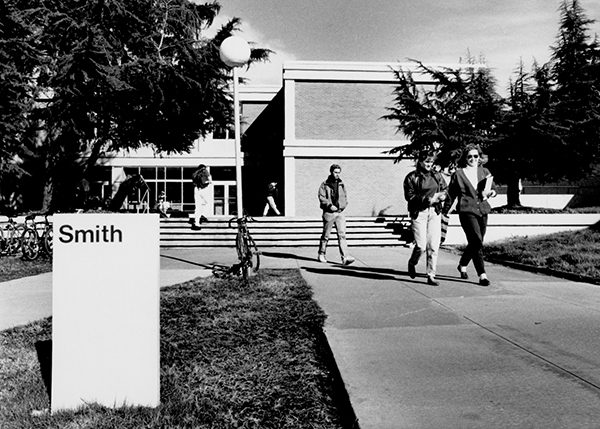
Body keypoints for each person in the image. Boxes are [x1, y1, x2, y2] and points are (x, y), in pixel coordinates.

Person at [446, 144, 497, 286]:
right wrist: (443, 210)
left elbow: (493, 189)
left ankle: (462, 264)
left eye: (476, 156)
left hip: (483, 210)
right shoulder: (458, 174)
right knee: (476, 241)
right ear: (465, 158)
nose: (473, 159)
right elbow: (451, 194)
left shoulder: (485, 171)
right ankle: (482, 275)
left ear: (479, 157)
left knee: (476, 242)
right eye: (470, 156)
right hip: (466, 211)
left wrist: (491, 193)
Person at [403, 150, 448, 286]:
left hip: (435, 212)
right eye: (426, 161)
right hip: (419, 213)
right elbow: (409, 196)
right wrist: (427, 200)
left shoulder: (437, 176)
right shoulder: (411, 177)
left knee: (433, 245)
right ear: (420, 162)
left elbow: (445, 189)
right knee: (421, 246)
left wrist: (443, 196)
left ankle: (431, 274)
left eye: (431, 161)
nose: (429, 164)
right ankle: (412, 262)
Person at [317, 164, 355, 265]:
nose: (337, 174)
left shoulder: (341, 184)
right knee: (326, 236)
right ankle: (321, 253)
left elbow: (345, 196)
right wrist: (329, 206)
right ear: (331, 172)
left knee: (342, 235)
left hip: (340, 213)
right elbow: (321, 197)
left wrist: (343, 206)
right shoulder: (324, 184)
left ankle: (345, 257)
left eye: (339, 172)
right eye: (335, 172)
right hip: (329, 213)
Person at [191, 164, 213, 230]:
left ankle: (196, 223)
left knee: (198, 207)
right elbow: (210, 179)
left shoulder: (195, 173)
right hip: (204, 189)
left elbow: (194, 181)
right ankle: (203, 214)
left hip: (197, 189)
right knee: (207, 202)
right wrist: (210, 181)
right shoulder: (205, 171)